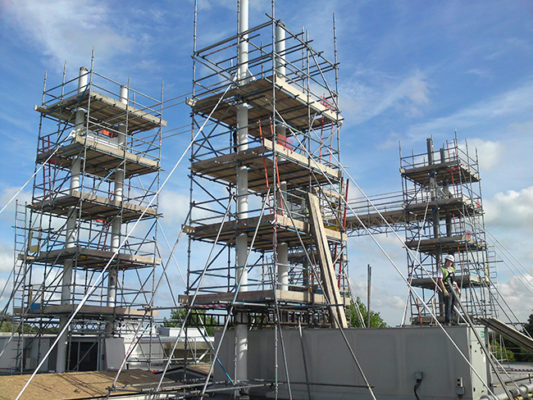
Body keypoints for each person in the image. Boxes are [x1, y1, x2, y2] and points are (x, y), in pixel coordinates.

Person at [437, 254, 460, 325]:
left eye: (451, 262)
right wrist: (444, 290)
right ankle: (448, 321)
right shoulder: (441, 269)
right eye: (449, 261)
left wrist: (458, 288)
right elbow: (440, 280)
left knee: (453, 304)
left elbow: (454, 280)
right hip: (447, 287)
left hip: (453, 288)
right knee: (448, 304)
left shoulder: (452, 269)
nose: (450, 263)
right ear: (446, 261)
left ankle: (452, 319)